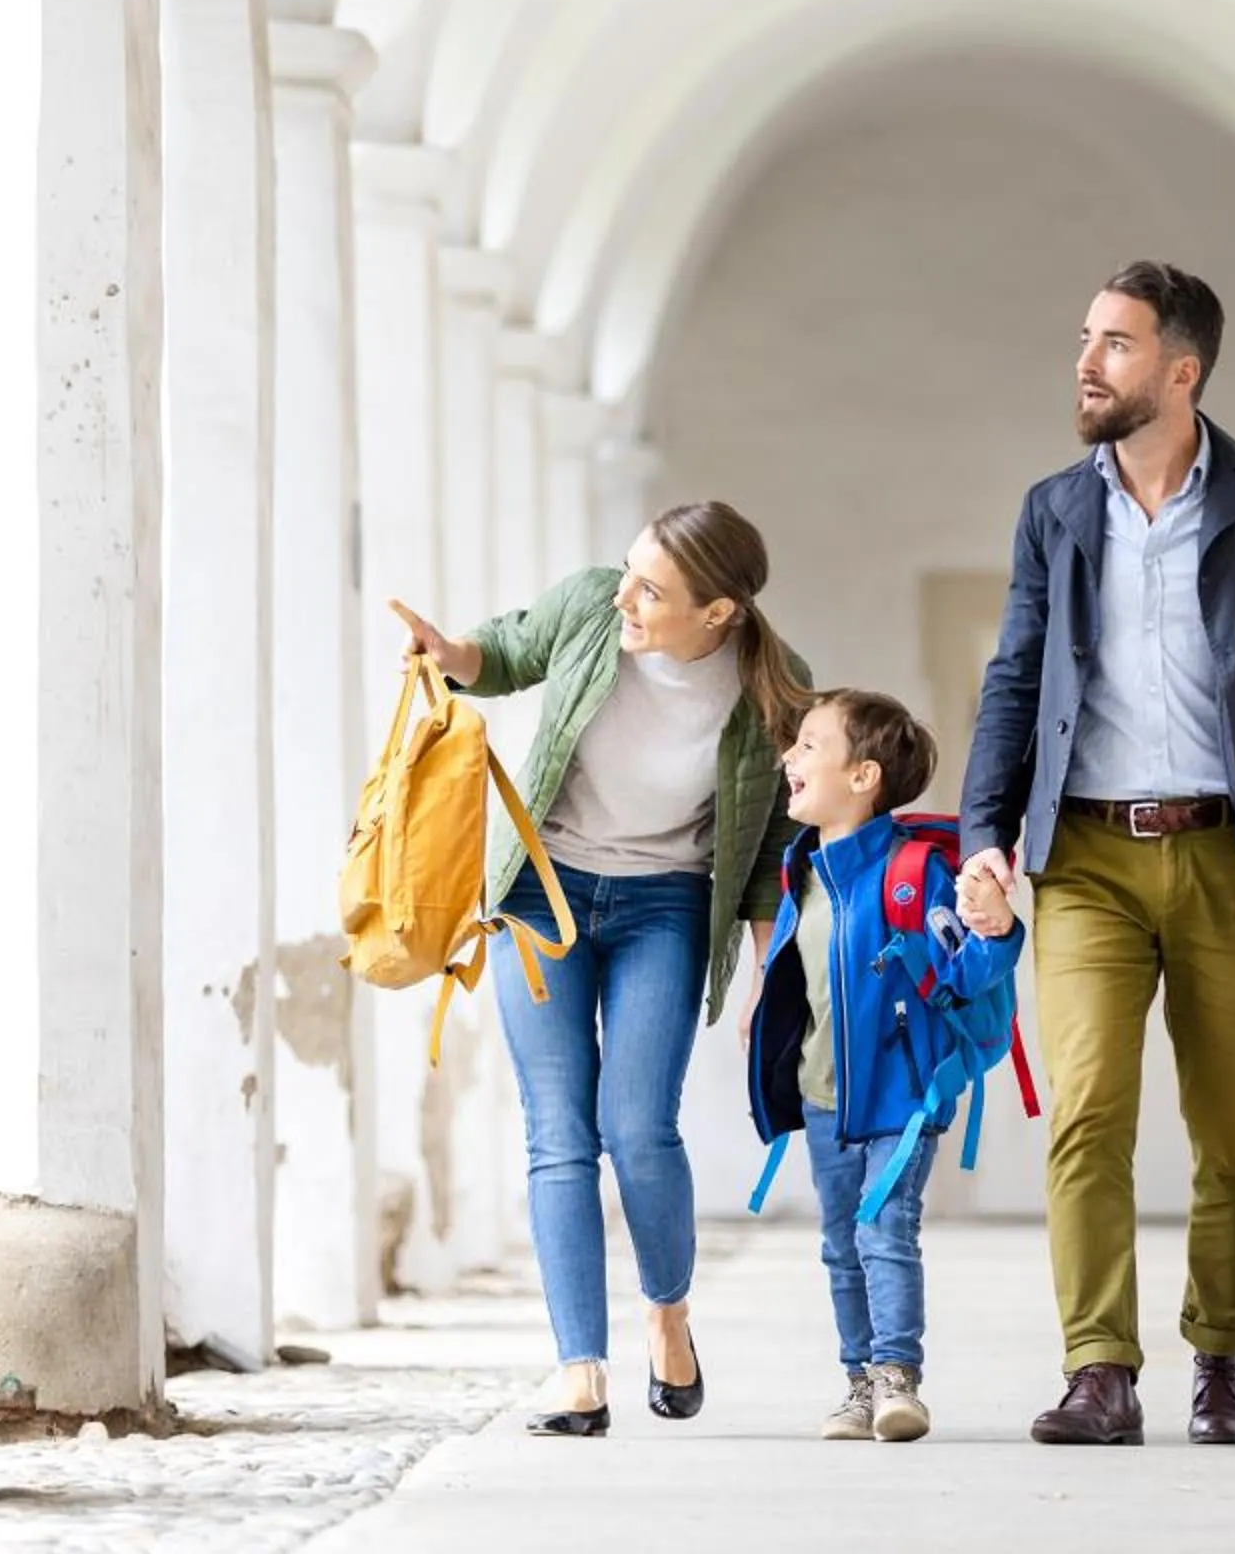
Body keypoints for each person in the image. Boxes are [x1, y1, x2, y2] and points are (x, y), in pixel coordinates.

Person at [956, 260, 1235, 1448]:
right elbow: (1015, 677)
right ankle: (1099, 1367)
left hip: (1228, 850)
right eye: (1086, 336)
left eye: (1116, 343)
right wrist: (989, 835)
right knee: (1085, 1110)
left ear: (1182, 370)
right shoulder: (1054, 508)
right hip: (1083, 851)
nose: (1087, 360)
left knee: (1233, 1124)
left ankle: (1220, 1357)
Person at [389, 500, 809, 1437]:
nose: (625, 594)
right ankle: (580, 1369)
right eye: (629, 569)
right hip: (541, 895)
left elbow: (775, 841)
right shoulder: (592, 610)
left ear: (718, 613)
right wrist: (448, 653)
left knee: (637, 1126)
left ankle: (668, 1313)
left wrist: (763, 971)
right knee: (558, 1133)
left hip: (666, 905)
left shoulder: (772, 688)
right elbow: (502, 652)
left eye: (652, 589)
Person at [747, 690, 1024, 1444]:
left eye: (809, 746)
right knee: (841, 1242)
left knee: (883, 1230)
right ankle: (859, 1385)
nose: (789, 759)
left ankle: (899, 1378)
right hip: (822, 1097)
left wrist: (996, 927)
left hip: (902, 1094)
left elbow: (966, 972)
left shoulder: (912, 875)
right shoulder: (802, 871)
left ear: (863, 776)